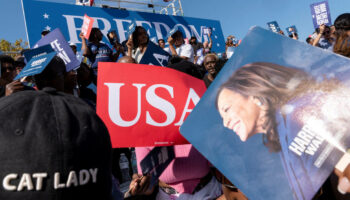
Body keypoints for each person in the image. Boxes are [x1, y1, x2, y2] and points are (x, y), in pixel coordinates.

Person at [216, 62, 350, 199]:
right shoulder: (282, 130)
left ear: (254, 95)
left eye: (227, 109)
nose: (225, 123)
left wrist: (344, 165)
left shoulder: (296, 116)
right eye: (222, 117)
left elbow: (338, 158)